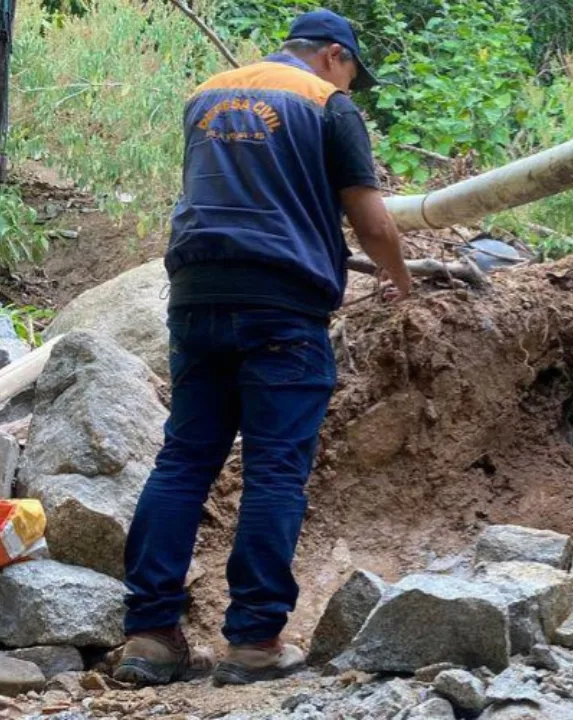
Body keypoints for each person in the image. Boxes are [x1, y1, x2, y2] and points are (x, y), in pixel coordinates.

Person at [115, 9, 413, 687]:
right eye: (353, 71)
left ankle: (151, 636)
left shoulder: (207, 95)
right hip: (281, 306)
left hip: (196, 295)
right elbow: (371, 221)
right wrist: (401, 282)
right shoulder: (325, 104)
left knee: (185, 460)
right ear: (334, 55)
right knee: (275, 469)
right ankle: (254, 641)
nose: (352, 83)